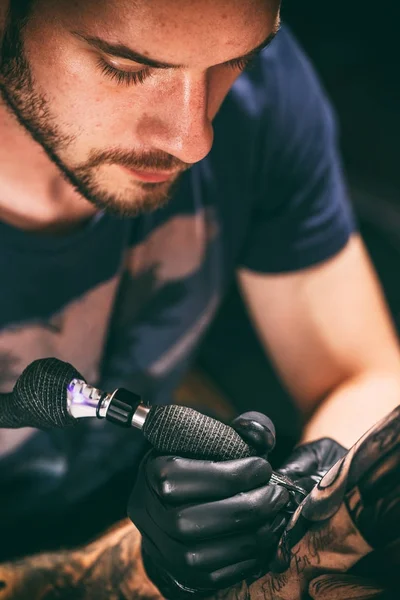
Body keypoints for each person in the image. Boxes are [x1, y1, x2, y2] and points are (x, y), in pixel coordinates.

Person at [0, 0, 400, 597]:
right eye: (125, 66)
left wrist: (320, 475)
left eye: (235, 61)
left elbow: (362, 373)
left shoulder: (257, 91)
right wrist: (138, 569)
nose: (194, 139)